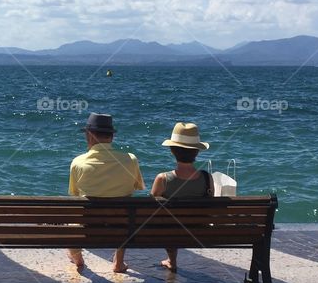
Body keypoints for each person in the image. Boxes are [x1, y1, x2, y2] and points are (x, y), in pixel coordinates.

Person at [68, 113, 145, 273]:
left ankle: (78, 260)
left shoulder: (78, 163)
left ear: (89, 136)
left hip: (88, 228)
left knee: (73, 222)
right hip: (122, 227)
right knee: (125, 213)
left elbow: (75, 194)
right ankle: (118, 262)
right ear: (111, 137)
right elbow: (136, 187)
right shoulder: (131, 160)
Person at [150, 122, 213, 273]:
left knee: (167, 221)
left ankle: (172, 260)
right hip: (199, 231)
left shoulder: (163, 179)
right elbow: (210, 205)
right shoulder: (206, 177)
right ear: (196, 152)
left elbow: (151, 208)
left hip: (169, 231)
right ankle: (171, 260)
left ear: (172, 151)